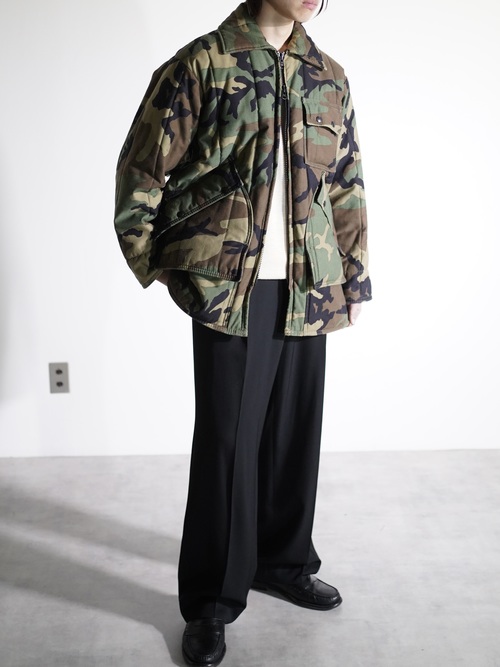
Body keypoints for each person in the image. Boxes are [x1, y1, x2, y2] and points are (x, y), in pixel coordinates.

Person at [114, 0, 371, 664]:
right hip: (230, 284)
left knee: (293, 435)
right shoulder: (204, 62)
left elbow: (346, 183)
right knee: (228, 443)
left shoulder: (328, 74)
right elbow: (142, 168)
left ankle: (283, 562)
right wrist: (158, 264)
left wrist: (353, 277)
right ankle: (210, 600)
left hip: (309, 279)